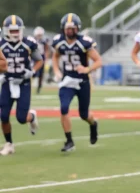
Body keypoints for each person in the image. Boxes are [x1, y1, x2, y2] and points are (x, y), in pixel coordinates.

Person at [52, 13, 102, 152]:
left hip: (82, 82)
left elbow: (98, 61)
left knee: (84, 114)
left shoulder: (84, 42)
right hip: (67, 81)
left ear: (77, 28)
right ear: (63, 28)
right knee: (64, 108)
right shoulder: (59, 41)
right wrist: (56, 71)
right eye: (67, 28)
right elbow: (55, 57)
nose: (69, 31)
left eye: (72, 28)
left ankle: (93, 124)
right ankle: (69, 141)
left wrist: (87, 69)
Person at [0, 15, 43, 155]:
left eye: (17, 30)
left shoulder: (28, 43)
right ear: (6, 31)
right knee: (4, 116)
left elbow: (39, 61)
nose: (14, 33)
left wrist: (32, 71)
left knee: (21, 118)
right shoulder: (1, 44)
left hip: (23, 83)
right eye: (11, 31)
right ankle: (9, 144)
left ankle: (32, 116)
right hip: (7, 83)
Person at [32, 26, 49, 94]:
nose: (39, 36)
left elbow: (46, 49)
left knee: (41, 75)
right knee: (33, 72)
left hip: (41, 57)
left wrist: (46, 58)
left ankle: (39, 88)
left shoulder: (44, 41)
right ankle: (28, 85)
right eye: (38, 35)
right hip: (34, 57)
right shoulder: (32, 40)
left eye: (40, 35)